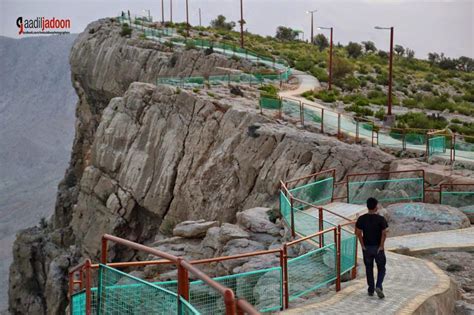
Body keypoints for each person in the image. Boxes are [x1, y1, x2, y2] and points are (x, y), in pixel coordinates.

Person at [355, 197, 388, 299]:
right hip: (378, 248)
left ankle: (370, 289)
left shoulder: (361, 219)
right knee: (381, 268)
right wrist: (381, 246)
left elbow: (358, 233)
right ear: (376, 207)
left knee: (369, 269)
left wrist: (362, 245)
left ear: (367, 206)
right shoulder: (381, 219)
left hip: (367, 248)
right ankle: (378, 286)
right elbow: (384, 233)